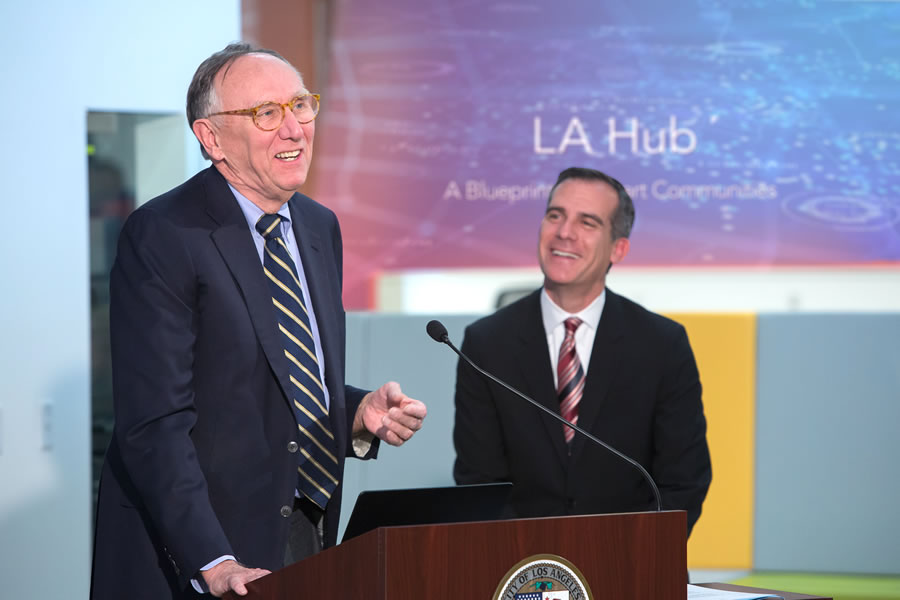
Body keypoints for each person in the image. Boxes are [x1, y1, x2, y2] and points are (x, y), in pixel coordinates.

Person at [90, 43, 427, 599]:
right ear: (212, 138)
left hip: (303, 532)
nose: (294, 129)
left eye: (300, 105)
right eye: (267, 113)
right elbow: (154, 423)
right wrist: (214, 560)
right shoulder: (164, 234)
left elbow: (273, 379)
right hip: (198, 553)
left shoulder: (319, 227)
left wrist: (353, 415)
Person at [453, 166, 711, 536]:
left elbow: (683, 483)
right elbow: (480, 484)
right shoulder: (486, 343)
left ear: (618, 248)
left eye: (587, 222)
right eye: (555, 215)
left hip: (630, 560)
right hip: (522, 564)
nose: (564, 232)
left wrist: (625, 556)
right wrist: (537, 563)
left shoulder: (662, 345)